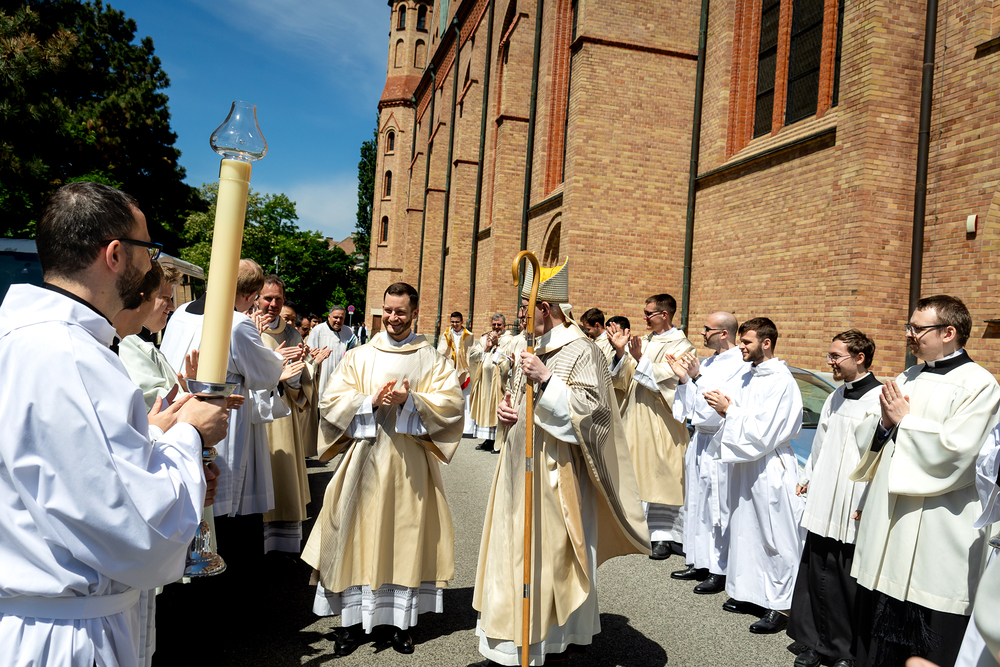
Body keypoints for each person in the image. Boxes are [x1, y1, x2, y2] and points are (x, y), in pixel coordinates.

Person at [0, 182, 228, 667]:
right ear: (116, 254)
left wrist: (156, 437)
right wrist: (190, 434)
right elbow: (139, 532)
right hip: (67, 638)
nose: (151, 265)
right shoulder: (70, 356)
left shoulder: (22, 338)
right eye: (149, 250)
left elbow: (66, 476)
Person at [469, 258, 649, 667]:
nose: (520, 317)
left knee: (546, 559)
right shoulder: (531, 345)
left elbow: (595, 413)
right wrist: (507, 411)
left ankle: (547, 646)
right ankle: (508, 646)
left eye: (525, 309)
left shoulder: (581, 350)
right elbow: (518, 397)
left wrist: (548, 380)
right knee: (510, 552)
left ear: (545, 307)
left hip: (556, 473)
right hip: (516, 467)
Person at [301, 282, 465, 656]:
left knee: (403, 538)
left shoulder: (431, 359)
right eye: (388, 310)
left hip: (410, 466)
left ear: (414, 313)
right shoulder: (360, 356)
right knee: (352, 534)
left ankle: (399, 624)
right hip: (363, 461)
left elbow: (452, 406)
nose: (392, 318)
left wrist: (412, 401)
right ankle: (350, 623)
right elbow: (331, 402)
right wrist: (369, 401)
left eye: (400, 312)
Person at [849, 295, 1000, 667]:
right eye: (909, 327)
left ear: (948, 332)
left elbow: (960, 452)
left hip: (940, 523)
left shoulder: (980, 384)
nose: (909, 334)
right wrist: (884, 424)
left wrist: (905, 422)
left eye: (917, 328)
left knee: (929, 633)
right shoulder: (908, 376)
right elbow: (873, 429)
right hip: (891, 521)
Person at [160, 259, 287, 577]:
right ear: (250, 295)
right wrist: (276, 356)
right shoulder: (237, 323)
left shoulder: (180, 312)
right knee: (225, 511)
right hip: (222, 425)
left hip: (178, 418)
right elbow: (266, 374)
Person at [785, 330, 881, 667]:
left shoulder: (880, 398)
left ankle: (845, 650)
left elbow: (878, 455)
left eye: (836, 356)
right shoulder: (836, 395)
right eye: (830, 355)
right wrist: (807, 475)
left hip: (852, 498)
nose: (830, 362)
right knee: (815, 568)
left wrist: (867, 501)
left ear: (860, 358)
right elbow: (821, 442)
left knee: (844, 577)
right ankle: (814, 641)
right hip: (825, 493)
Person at [704, 317, 804, 634]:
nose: (741, 347)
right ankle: (752, 594)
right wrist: (724, 408)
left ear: (766, 343)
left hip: (769, 464)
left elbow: (765, 431)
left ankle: (782, 605)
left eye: (746, 342)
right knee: (746, 530)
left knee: (775, 536)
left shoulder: (781, 381)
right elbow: (739, 414)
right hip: (746, 464)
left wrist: (728, 411)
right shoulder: (749, 376)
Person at [609, 294, 695, 561]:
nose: (644, 317)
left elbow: (671, 381)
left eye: (649, 313)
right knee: (634, 472)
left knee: (662, 474)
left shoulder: (682, 345)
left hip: (662, 422)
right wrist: (621, 353)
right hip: (634, 417)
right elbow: (623, 379)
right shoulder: (644, 342)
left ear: (664, 315)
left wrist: (640, 359)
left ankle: (663, 536)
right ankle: (635, 530)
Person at [669, 311, 747, 594]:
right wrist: (684, 380)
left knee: (716, 506)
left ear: (723, 333)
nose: (702, 333)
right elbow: (693, 406)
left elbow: (717, 402)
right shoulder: (710, 361)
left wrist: (697, 377)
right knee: (696, 502)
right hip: (700, 438)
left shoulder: (739, 364)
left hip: (718, 440)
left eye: (707, 329)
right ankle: (698, 560)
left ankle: (718, 568)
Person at [257, 276, 313, 554]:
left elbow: (299, 377)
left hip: (282, 413)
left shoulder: (292, 334)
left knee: (281, 472)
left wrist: (297, 374)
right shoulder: (246, 327)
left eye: (278, 299)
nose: (273, 304)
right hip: (254, 412)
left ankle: (280, 544)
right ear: (256, 297)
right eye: (268, 298)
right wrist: (274, 371)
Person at [468, 313, 515, 452]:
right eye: (494, 324)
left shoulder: (510, 340)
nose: (496, 327)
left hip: (498, 383)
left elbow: (509, 361)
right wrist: (486, 348)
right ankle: (488, 440)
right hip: (484, 382)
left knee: (496, 410)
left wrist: (497, 346)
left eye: (499, 325)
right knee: (485, 409)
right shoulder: (484, 338)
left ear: (504, 325)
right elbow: (473, 356)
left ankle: (497, 442)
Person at [307, 304, 358, 404]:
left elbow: (354, 350)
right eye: (335, 317)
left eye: (341, 318)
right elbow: (310, 354)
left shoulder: (348, 331)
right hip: (323, 374)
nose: (338, 320)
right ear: (329, 317)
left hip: (342, 376)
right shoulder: (318, 330)